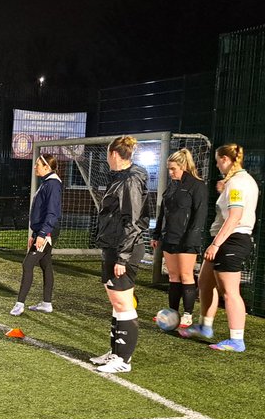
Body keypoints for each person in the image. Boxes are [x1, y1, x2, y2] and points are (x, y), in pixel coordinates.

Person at [180, 144, 260, 351]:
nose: (217, 165)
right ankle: (205, 327)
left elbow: (235, 217)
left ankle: (237, 340)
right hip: (226, 238)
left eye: (217, 161)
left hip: (232, 239)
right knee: (205, 283)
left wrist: (216, 244)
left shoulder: (238, 183)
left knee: (230, 292)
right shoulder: (236, 182)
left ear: (226, 159)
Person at [89, 135, 148, 373]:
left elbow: (133, 222)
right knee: (116, 301)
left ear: (114, 154)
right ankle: (115, 352)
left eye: (107, 154)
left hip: (124, 248)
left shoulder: (131, 180)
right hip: (112, 246)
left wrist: (123, 257)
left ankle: (123, 360)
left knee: (123, 303)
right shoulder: (120, 179)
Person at [151, 148, 208, 329]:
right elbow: (163, 211)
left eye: (173, 168)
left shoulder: (197, 186)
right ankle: (172, 312)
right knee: (173, 276)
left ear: (183, 166)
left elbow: (199, 215)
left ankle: (188, 315)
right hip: (170, 237)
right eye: (169, 169)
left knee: (186, 275)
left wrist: (191, 239)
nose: (170, 172)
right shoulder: (173, 185)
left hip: (186, 240)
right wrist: (157, 233)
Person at [10, 153, 63, 316]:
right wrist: (35, 233)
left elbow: (52, 213)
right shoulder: (48, 183)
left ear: (47, 167)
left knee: (27, 264)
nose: (35, 167)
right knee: (46, 264)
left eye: (38, 164)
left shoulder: (52, 184)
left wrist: (42, 234)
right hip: (43, 231)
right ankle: (47, 303)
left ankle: (19, 304)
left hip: (47, 232)